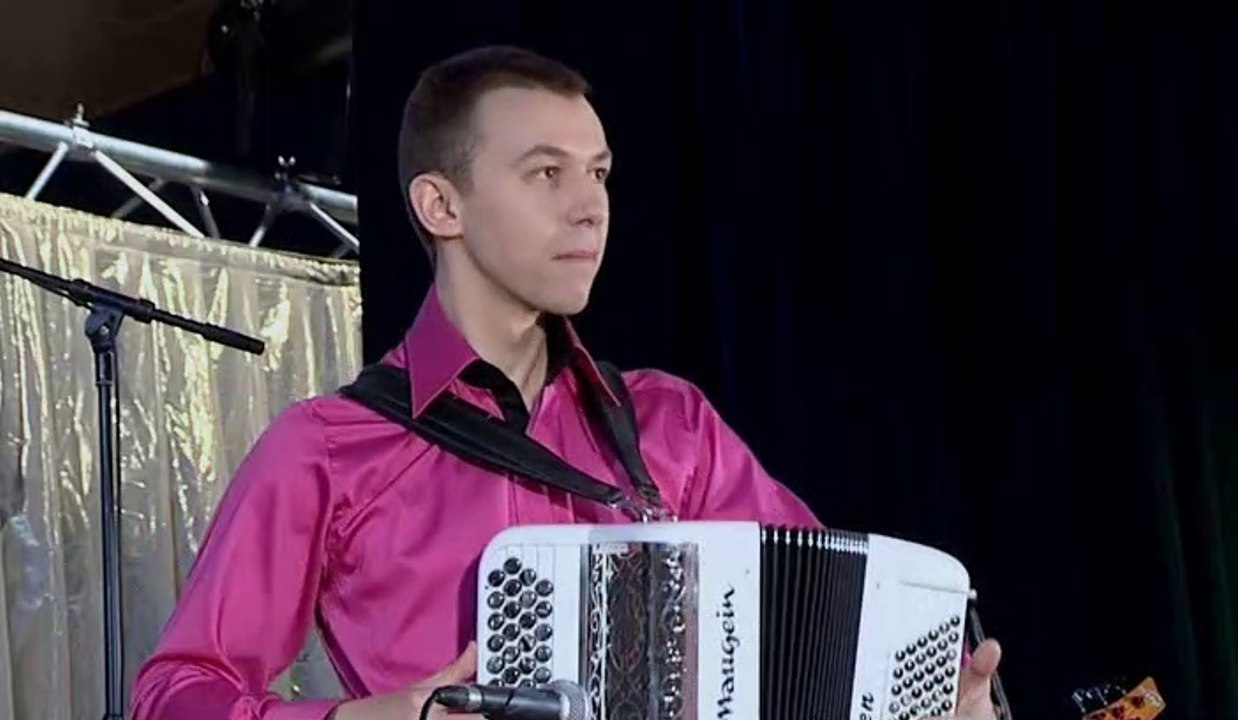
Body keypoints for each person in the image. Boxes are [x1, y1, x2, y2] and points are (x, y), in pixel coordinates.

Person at [129, 45, 1004, 720]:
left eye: (600, 174)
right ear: (443, 207)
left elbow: (829, 642)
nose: (590, 206)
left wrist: (929, 703)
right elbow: (174, 693)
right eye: (547, 173)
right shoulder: (329, 450)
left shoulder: (673, 425)